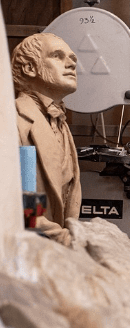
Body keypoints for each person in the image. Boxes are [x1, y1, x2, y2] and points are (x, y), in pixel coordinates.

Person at [13, 33, 81, 246]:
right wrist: (66, 240)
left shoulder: (61, 124)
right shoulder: (13, 121)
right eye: (57, 56)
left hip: (55, 252)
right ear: (29, 68)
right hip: (26, 251)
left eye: (72, 58)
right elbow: (22, 203)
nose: (71, 64)